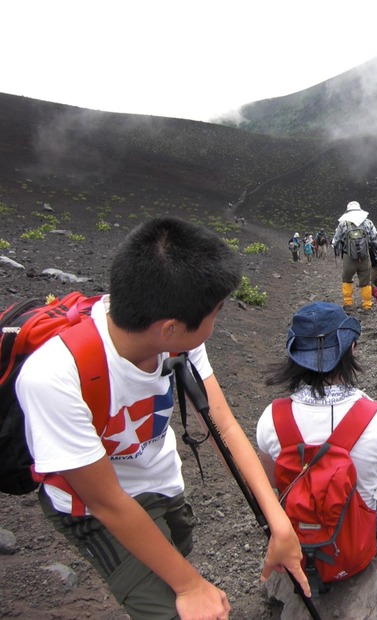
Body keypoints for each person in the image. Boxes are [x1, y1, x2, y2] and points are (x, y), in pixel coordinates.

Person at [17, 217, 310, 620]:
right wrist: (190, 586)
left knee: (177, 550)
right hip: (94, 510)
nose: (216, 321)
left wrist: (278, 521)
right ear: (170, 329)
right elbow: (107, 503)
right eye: (216, 312)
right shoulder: (53, 376)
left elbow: (221, 422)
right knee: (176, 607)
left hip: (160, 478)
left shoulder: (174, 340)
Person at [256, 302, 377, 537]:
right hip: (363, 527)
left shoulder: (271, 418)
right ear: (351, 347)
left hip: (301, 525)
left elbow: (273, 479)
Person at [331, 201, 377, 311]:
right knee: (365, 281)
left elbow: (335, 240)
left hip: (348, 257)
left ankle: (348, 303)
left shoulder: (343, 223)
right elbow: (376, 241)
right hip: (365, 257)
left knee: (347, 279)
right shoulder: (368, 222)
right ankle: (367, 305)